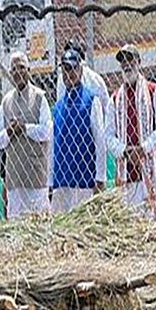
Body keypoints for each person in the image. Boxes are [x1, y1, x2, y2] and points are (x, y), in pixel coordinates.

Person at [106, 44, 156, 222]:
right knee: (132, 228)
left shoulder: (153, 91)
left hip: (153, 172)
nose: (126, 64)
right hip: (127, 176)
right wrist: (126, 151)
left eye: (130, 59)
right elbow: (108, 136)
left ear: (139, 62)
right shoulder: (115, 99)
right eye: (122, 61)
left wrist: (143, 149)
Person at [0, 51, 52, 218]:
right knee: (16, 224)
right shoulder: (6, 101)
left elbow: (47, 131)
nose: (17, 72)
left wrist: (25, 128)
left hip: (35, 176)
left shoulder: (40, 98)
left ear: (29, 70)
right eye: (14, 69)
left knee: (38, 222)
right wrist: (10, 132)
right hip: (14, 178)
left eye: (21, 68)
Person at [50, 47, 107, 212]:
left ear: (80, 70)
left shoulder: (91, 100)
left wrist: (100, 178)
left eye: (73, 68)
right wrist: (50, 181)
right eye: (65, 69)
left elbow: (100, 141)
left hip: (85, 181)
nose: (69, 73)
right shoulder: (58, 106)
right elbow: (53, 146)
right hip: (62, 181)